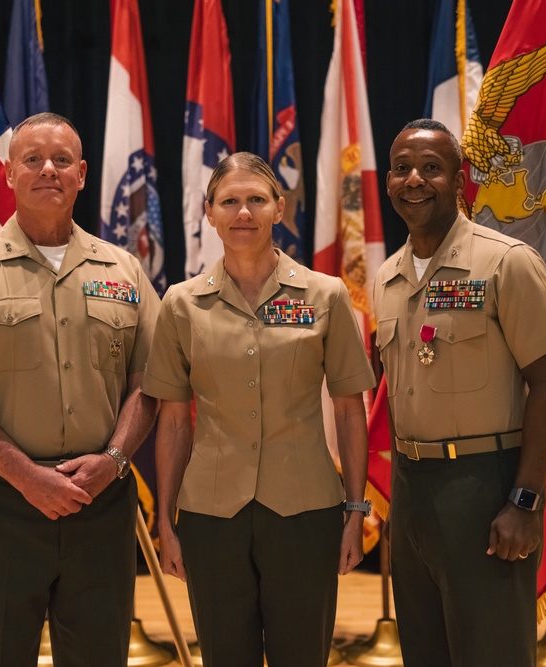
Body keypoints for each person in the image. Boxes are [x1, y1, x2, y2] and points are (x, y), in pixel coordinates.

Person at [0, 112, 160, 667]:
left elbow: (150, 384)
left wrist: (114, 461)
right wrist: (25, 475)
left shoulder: (125, 271)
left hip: (101, 502)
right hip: (1, 507)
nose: (49, 169)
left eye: (62, 160)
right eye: (33, 159)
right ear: (8, 173)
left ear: (83, 174)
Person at [142, 152, 376, 667]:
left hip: (305, 513)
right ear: (208, 212)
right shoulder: (180, 304)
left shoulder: (326, 294)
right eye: (229, 201)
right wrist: (165, 521)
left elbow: (348, 410)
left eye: (255, 200)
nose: (242, 212)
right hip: (211, 517)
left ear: (279, 207)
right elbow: (175, 420)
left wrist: (356, 512)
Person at [374, 119, 546, 667]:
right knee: (425, 653)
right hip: (413, 490)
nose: (415, 179)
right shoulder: (386, 277)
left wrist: (525, 499)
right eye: (402, 168)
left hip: (486, 489)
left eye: (432, 168)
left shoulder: (506, 262)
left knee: (492, 656)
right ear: (388, 181)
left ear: (461, 181)